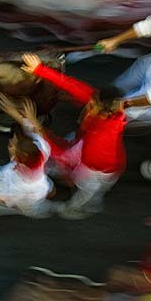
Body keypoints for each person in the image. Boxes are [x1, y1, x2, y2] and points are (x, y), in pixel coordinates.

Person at [21, 53, 126, 219]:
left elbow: (67, 155)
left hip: (97, 168)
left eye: (92, 102)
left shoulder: (100, 136)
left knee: (86, 193)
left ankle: (75, 210)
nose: (88, 101)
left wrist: (38, 127)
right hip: (85, 149)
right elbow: (71, 85)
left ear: (101, 108)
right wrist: (39, 69)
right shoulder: (105, 109)